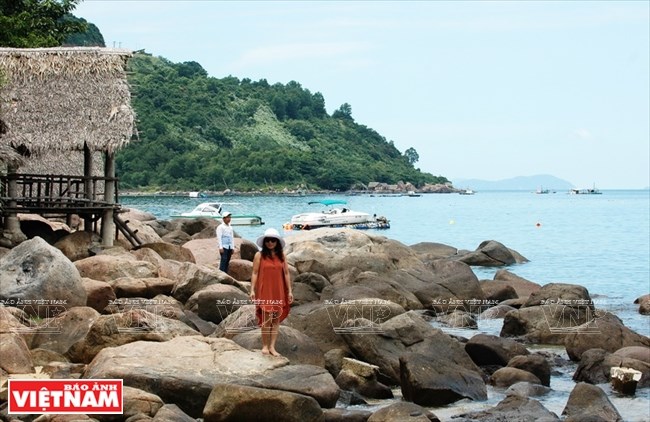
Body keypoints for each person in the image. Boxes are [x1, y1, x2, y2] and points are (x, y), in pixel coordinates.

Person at [250, 228, 293, 356]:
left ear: (277, 242)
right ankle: (264, 346)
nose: (270, 243)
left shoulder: (282, 256)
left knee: (275, 320)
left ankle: (272, 347)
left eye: (273, 240)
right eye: (268, 240)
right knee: (266, 319)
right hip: (265, 290)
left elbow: (286, 273)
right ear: (264, 242)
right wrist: (252, 289)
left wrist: (289, 291)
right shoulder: (259, 255)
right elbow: (255, 272)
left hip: (278, 289)